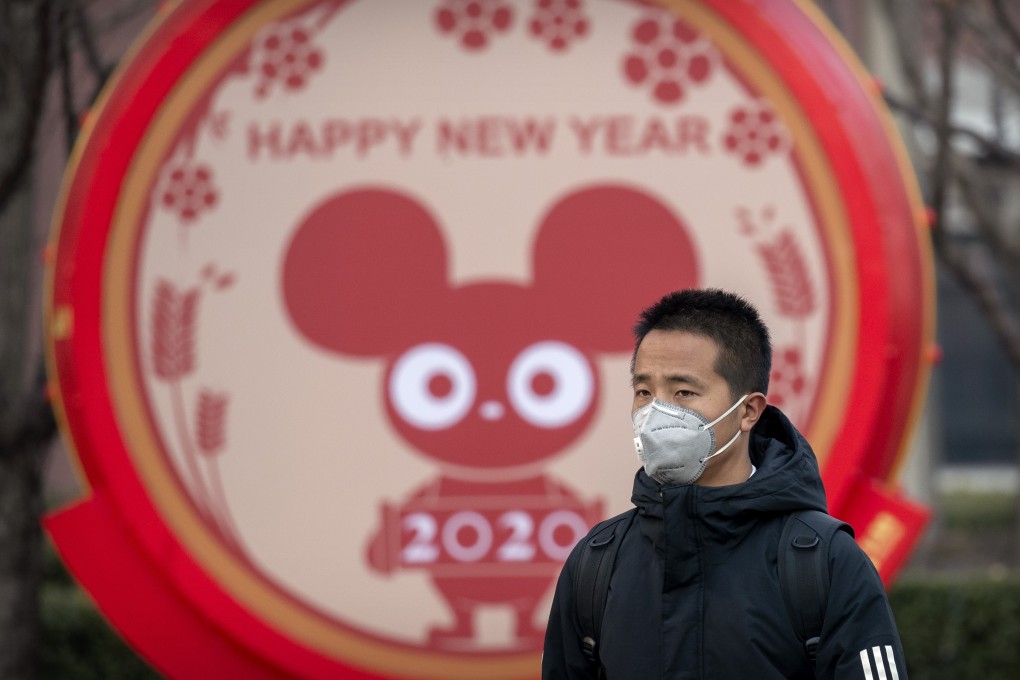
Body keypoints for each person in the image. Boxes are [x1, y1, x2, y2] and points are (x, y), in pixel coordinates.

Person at [541, 288, 907, 679]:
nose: (655, 412)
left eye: (683, 392)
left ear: (748, 411)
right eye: (644, 392)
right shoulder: (596, 563)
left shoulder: (824, 561)